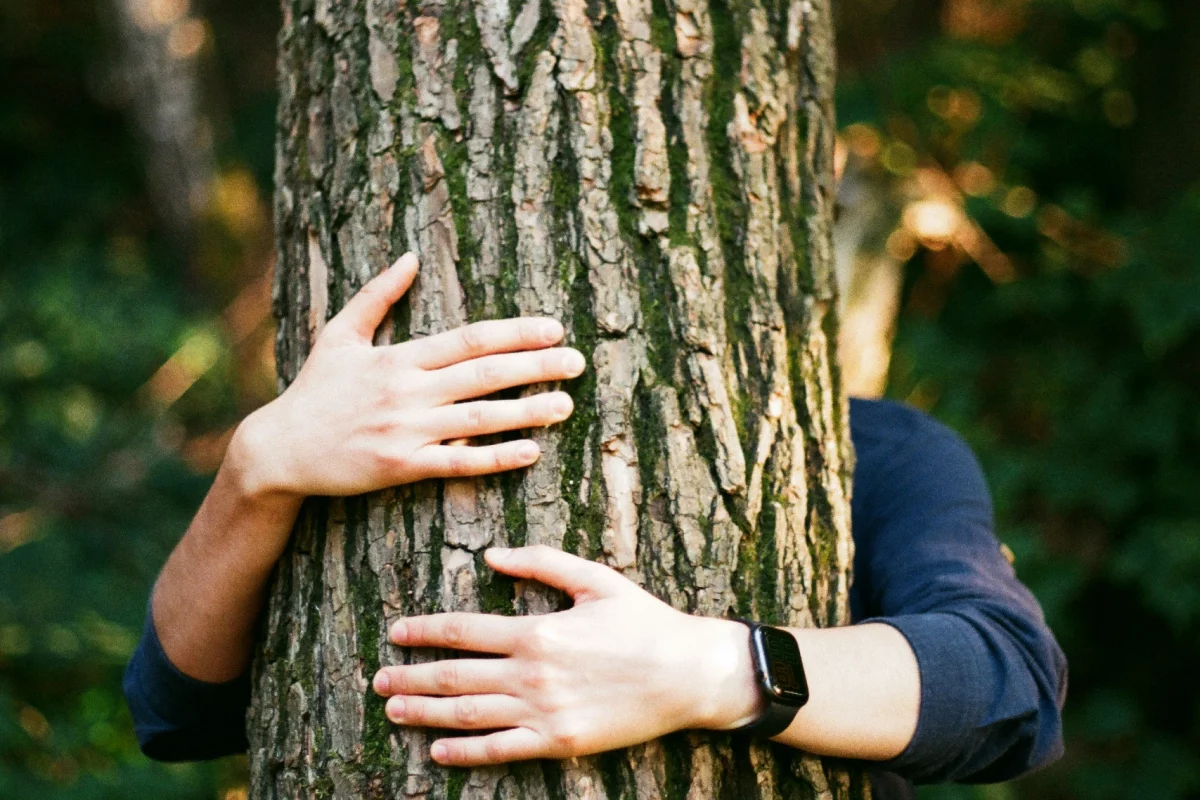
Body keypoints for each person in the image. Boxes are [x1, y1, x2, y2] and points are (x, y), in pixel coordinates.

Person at [123, 254, 1067, 798]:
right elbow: (174, 711)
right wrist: (256, 470)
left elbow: (1007, 683)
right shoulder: (349, 421)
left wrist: (711, 671)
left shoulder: (879, 446)